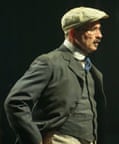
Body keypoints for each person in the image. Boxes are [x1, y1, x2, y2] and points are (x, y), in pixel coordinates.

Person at [4, 6, 109, 144]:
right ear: (72, 33)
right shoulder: (50, 62)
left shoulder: (94, 72)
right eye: (93, 29)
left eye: (99, 29)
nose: (99, 35)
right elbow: (15, 102)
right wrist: (35, 140)